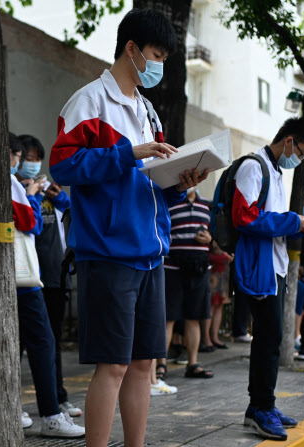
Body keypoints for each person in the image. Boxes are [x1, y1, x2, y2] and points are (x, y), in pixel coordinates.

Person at [48, 9, 208, 447]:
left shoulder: (148, 109)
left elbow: (152, 183)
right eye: (156, 55)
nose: (159, 66)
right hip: (108, 253)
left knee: (143, 365)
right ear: (131, 49)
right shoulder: (89, 101)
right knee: (113, 365)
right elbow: (62, 165)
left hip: (151, 252)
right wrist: (130, 153)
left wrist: (182, 183)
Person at [233, 117, 304, 440]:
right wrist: (293, 222)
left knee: (272, 338)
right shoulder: (254, 167)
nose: (301, 159)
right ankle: (259, 409)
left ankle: (264, 404)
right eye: (302, 152)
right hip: (260, 267)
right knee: (268, 338)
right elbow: (244, 216)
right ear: (289, 142)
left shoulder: (276, 171)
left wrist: (296, 223)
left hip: (276, 266)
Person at [10, 134, 85, 437]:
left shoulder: (32, 190)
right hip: (26, 276)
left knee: (38, 342)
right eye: (24, 156)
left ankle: (48, 403)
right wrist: (31, 195)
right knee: (40, 342)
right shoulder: (16, 186)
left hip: (45, 276)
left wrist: (54, 197)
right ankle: (52, 414)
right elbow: (31, 223)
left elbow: (68, 218)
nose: (29, 163)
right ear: (14, 155)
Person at [163, 188, 214, 378]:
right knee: (168, 318)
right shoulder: (169, 202)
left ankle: (193, 363)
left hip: (199, 269)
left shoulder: (206, 206)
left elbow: (215, 236)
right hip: (172, 268)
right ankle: (161, 365)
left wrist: (210, 239)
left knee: (194, 317)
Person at [208, 241, 233, 349]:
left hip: (224, 272)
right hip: (213, 272)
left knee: (219, 305)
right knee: (211, 306)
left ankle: (214, 337)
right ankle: (207, 338)